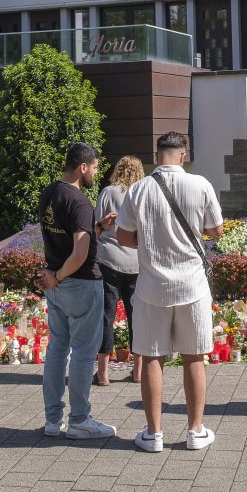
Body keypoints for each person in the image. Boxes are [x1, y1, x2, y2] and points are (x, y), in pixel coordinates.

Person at [117, 132, 224, 452]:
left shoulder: (139, 189)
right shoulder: (201, 184)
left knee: (151, 357)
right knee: (194, 357)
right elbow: (216, 230)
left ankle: (153, 434)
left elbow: (123, 237)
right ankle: (194, 431)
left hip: (151, 286)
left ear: (157, 154)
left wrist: (149, 243)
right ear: (183, 155)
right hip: (192, 285)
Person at [33, 143, 117, 440]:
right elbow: (80, 252)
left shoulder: (50, 193)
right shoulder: (79, 200)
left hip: (57, 286)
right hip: (79, 282)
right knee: (83, 354)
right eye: (94, 167)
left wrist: (97, 228)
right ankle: (80, 419)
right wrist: (57, 276)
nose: (96, 172)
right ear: (83, 167)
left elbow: (70, 238)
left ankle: (52, 420)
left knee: (57, 350)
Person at [94, 155, 145, 385]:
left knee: (106, 314)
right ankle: (138, 372)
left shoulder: (108, 192)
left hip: (110, 259)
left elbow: (96, 225)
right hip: (137, 261)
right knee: (138, 317)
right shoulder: (144, 192)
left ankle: (103, 373)